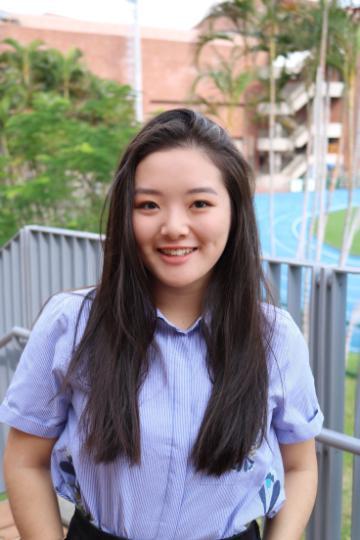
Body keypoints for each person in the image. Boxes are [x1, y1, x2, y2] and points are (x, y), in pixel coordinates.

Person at [0, 109, 323, 540]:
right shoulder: (71, 324)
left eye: (200, 204)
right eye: (148, 204)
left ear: (235, 213)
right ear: (124, 214)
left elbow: (300, 465)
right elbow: (25, 459)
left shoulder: (275, 338)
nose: (173, 227)